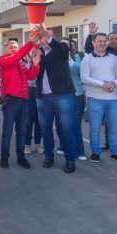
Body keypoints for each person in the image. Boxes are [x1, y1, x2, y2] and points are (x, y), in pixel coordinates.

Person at [85, 23, 117, 153]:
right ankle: (105, 146)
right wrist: (91, 33)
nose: (112, 41)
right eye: (110, 39)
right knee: (103, 124)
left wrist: (114, 83)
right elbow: (88, 48)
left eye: (115, 39)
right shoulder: (98, 54)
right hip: (101, 94)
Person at [36, 27, 78, 173]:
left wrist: (47, 34)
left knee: (66, 128)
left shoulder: (62, 49)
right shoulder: (38, 53)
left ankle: (70, 159)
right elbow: (33, 73)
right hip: (43, 97)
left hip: (62, 95)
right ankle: (49, 156)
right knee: (45, 128)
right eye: (44, 37)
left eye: (49, 36)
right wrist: (33, 61)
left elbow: (60, 50)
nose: (46, 38)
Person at [80, 33, 117, 164]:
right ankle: (95, 152)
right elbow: (85, 78)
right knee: (95, 127)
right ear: (93, 43)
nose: (102, 43)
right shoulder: (87, 59)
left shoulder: (114, 59)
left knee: (114, 127)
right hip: (95, 98)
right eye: (99, 41)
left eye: (104, 41)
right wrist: (103, 84)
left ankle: (115, 152)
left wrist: (114, 83)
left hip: (113, 98)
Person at [0, 36, 40, 169]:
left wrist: (35, 64)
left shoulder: (20, 62)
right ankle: (4, 157)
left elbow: (31, 76)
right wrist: (30, 43)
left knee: (21, 130)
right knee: (8, 130)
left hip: (23, 100)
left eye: (16, 47)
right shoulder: (3, 59)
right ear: (5, 49)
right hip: (10, 100)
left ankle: (21, 157)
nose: (14, 49)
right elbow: (17, 56)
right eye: (12, 47)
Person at [60, 37, 87, 161]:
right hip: (61, 94)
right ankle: (64, 146)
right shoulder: (55, 57)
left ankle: (79, 150)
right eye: (62, 45)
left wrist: (68, 57)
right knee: (63, 124)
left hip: (76, 94)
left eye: (67, 45)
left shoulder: (76, 57)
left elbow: (76, 70)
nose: (64, 47)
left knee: (75, 124)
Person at [24, 53, 43, 155]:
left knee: (39, 120)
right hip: (29, 92)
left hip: (40, 91)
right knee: (29, 120)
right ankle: (27, 144)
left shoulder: (42, 63)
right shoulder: (26, 64)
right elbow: (27, 76)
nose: (33, 55)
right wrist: (29, 62)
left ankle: (38, 143)